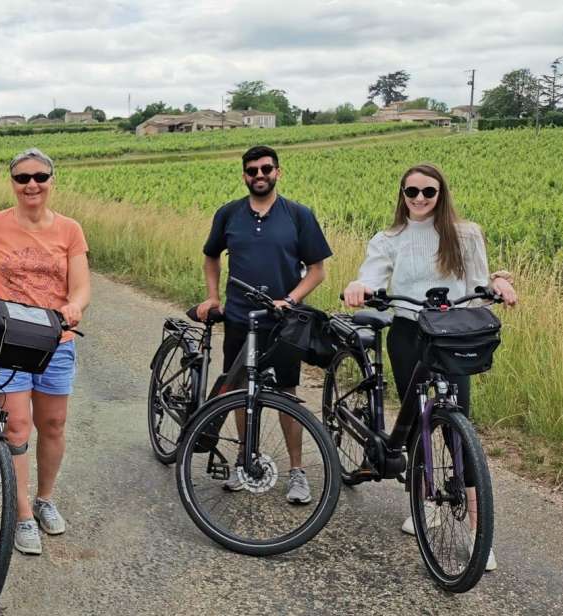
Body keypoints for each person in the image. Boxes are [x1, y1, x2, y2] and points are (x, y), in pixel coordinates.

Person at [342, 163, 517, 572]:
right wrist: (360, 286)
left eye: (429, 192)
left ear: (442, 194)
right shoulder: (389, 238)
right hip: (408, 331)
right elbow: (371, 275)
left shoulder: (465, 233)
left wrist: (499, 282)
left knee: (460, 424)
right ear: (401, 195)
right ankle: (425, 503)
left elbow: (477, 285)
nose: (419, 199)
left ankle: (477, 533)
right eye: (411, 192)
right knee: (417, 415)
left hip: (452, 333)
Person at [0, 148, 90, 556]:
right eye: (22, 178)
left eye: (40, 176)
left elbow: (82, 286)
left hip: (55, 340)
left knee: (52, 424)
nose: (32, 184)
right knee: (16, 426)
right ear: (12, 183)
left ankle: (44, 499)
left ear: (52, 180)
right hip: (7, 339)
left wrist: (74, 306)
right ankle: (22, 515)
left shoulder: (70, 230)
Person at [198, 144, 333, 505]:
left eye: (266, 169)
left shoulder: (298, 215)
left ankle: (297, 473)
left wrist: (290, 299)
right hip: (241, 318)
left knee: (286, 392)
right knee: (241, 390)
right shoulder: (229, 214)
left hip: (283, 321)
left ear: (278, 172)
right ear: (244, 175)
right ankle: (246, 461)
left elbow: (317, 270)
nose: (260, 175)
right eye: (252, 170)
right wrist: (213, 297)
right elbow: (211, 256)